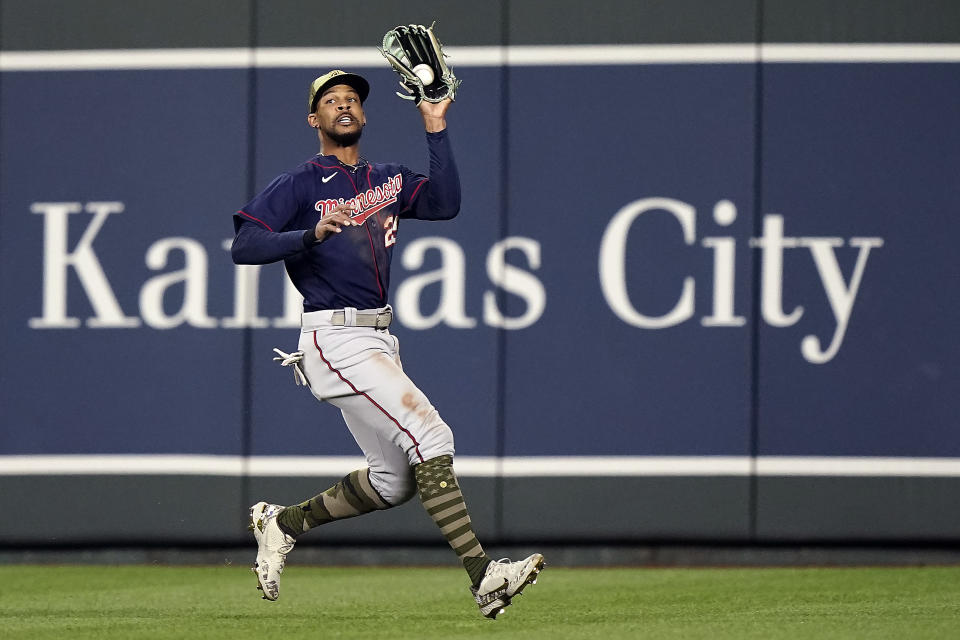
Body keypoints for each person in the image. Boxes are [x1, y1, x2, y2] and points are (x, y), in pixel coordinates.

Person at [230, 69, 544, 619]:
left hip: (376, 336)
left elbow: (444, 204)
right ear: (315, 119)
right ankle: (483, 574)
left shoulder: (388, 179)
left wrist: (435, 125)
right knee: (431, 432)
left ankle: (282, 524)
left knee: (393, 481)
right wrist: (311, 233)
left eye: (353, 98)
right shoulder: (302, 183)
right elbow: (245, 244)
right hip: (333, 335)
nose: (344, 105)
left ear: (364, 115)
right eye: (331, 101)